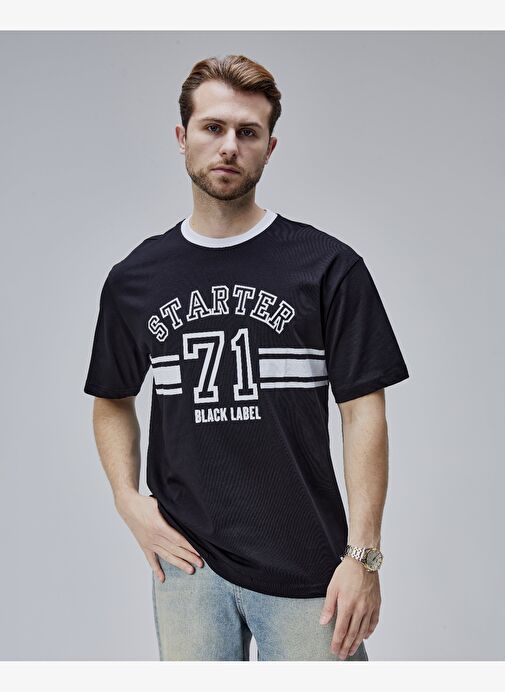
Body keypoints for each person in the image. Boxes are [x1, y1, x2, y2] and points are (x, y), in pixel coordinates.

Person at [83, 54, 409, 661]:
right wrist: (127, 500)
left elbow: (364, 411)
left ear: (269, 147)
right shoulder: (135, 278)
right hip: (188, 567)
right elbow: (111, 399)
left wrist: (363, 557)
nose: (229, 146)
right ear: (182, 138)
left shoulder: (328, 266)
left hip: (308, 563)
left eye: (248, 132)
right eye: (212, 127)